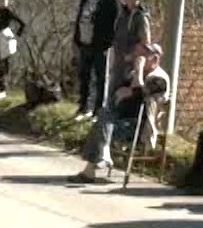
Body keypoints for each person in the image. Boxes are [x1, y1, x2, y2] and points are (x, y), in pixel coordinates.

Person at [68, 43, 166, 185]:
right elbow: (119, 92)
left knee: (101, 123)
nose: (140, 58)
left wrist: (136, 76)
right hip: (120, 121)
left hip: (138, 127)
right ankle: (100, 158)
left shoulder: (159, 78)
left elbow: (143, 93)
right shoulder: (136, 74)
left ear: (155, 59)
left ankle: (93, 168)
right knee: (102, 118)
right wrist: (130, 85)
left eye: (145, 56)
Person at [71, 0, 118, 120]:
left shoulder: (111, 0)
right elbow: (80, 16)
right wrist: (76, 38)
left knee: (100, 77)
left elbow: (114, 23)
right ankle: (83, 106)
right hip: (85, 42)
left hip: (100, 45)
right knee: (84, 75)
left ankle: (98, 110)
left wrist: (108, 41)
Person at [0, 0, 26, 97]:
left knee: (3, 63)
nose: (2, 2)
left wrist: (17, 34)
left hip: (4, 39)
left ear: (7, 1)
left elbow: (22, 23)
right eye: (0, 0)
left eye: (4, 0)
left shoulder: (8, 12)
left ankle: (1, 86)